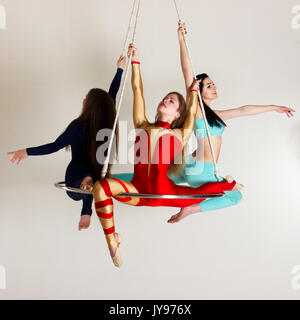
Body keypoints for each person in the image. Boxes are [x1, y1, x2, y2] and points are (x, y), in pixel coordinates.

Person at [92, 44, 243, 268]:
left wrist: (193, 91)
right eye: (165, 97)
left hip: (164, 193)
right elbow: (137, 91)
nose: (166, 100)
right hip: (137, 193)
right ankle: (112, 241)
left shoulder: (180, 134)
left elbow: (193, 110)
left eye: (171, 100)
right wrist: (136, 62)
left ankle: (228, 186)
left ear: (178, 114)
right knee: (100, 186)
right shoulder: (142, 125)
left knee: (213, 192)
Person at [166, 21, 296, 224]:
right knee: (235, 195)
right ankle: (189, 209)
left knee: (160, 178)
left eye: (213, 84)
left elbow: (244, 110)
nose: (214, 87)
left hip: (195, 167)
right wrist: (181, 40)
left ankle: (116, 178)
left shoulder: (214, 115)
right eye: (209, 85)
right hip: (202, 170)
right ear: (199, 92)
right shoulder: (197, 110)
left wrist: (274, 107)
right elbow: (187, 72)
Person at [7, 56, 127, 230]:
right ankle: (87, 186)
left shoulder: (78, 126)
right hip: (91, 173)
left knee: (89, 174)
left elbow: (54, 146)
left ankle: (85, 185)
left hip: (76, 175)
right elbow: (112, 95)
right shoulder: (106, 122)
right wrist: (119, 70)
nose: (83, 99)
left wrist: (26, 152)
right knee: (93, 174)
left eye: (86, 97)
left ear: (91, 106)